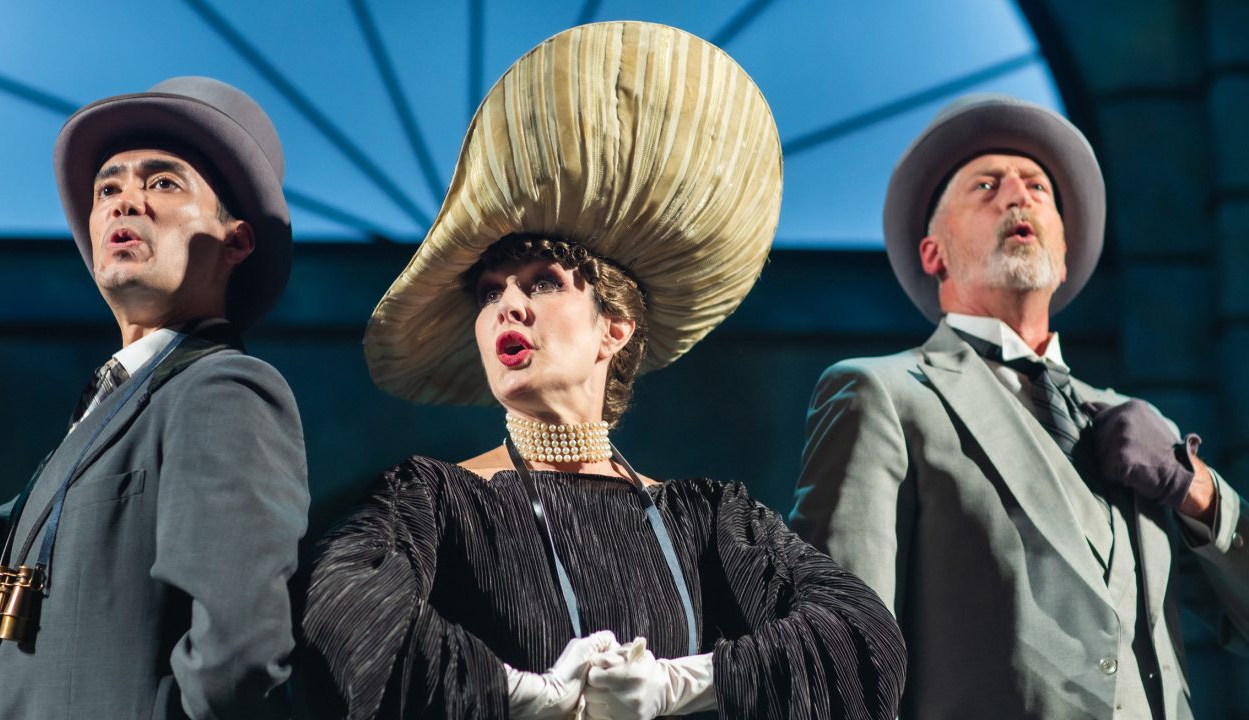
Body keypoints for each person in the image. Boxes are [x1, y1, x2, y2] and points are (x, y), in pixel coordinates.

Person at [298, 22, 905, 720]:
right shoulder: (432, 501)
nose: (508, 308)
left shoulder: (707, 517)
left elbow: (861, 633)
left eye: (542, 283)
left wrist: (687, 683)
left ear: (613, 330)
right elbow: (341, 603)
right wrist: (528, 696)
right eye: (490, 293)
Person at [790, 94, 1249, 719]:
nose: (1017, 196)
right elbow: (840, 656)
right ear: (934, 253)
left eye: (1037, 186)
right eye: (985, 186)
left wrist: (1197, 489)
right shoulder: (883, 395)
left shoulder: (1144, 432)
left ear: (1062, 250)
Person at [0, 77, 310, 719]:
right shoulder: (104, 409)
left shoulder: (223, 389)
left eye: (162, 183)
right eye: (108, 188)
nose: (126, 203)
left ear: (236, 241)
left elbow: (239, 653)